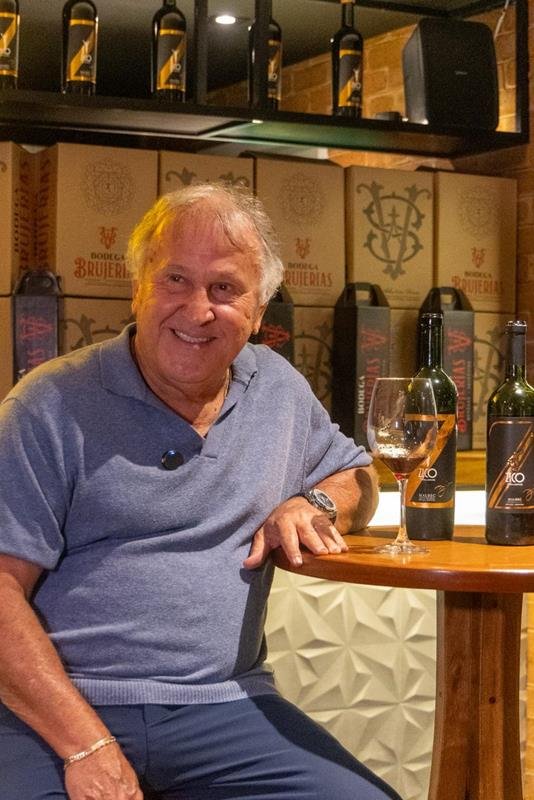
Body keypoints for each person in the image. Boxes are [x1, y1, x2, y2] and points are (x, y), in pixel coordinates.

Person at [0, 183, 401, 800]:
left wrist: (315, 502)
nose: (197, 310)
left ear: (260, 312)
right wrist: (86, 746)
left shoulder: (278, 388)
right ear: (137, 288)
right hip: (57, 712)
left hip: (227, 707)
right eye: (175, 279)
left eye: (224, 288)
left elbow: (360, 477)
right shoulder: (48, 404)